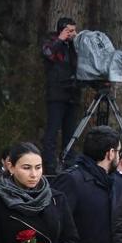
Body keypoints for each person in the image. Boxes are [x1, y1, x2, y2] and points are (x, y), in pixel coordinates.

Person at [41, 17, 79, 173]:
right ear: (62, 30)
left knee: (70, 133)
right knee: (52, 131)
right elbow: (47, 53)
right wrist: (60, 39)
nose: (72, 34)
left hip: (73, 94)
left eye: (74, 30)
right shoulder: (51, 41)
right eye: (69, 30)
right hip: (57, 94)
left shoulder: (75, 46)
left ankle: (69, 164)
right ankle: (49, 165)